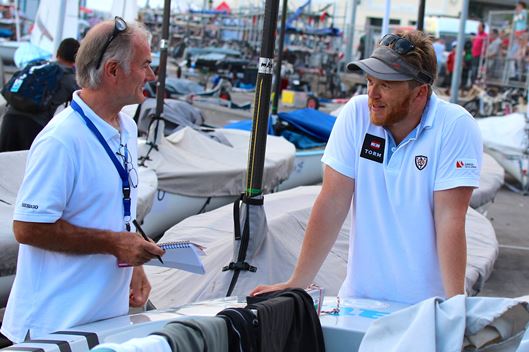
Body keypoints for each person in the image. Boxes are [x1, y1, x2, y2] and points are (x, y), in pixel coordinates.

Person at [251, 30, 483, 305]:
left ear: (420, 93)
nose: (372, 94)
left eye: (385, 84)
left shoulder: (455, 125)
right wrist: (297, 283)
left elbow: (450, 220)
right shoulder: (356, 114)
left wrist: (456, 305)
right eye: (370, 81)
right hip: (359, 299)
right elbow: (332, 201)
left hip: (426, 306)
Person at [0, 17, 163, 344]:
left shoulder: (127, 128)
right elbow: (27, 228)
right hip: (53, 326)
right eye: (145, 65)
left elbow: (118, 211)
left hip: (102, 322)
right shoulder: (61, 140)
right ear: (114, 71)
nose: (152, 75)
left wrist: (132, 264)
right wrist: (115, 244)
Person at [0, 38, 80, 152]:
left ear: (58, 53)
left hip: (10, 118)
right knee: (26, 166)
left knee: (4, 164)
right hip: (34, 125)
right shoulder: (69, 78)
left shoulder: (36, 65)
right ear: (76, 58)